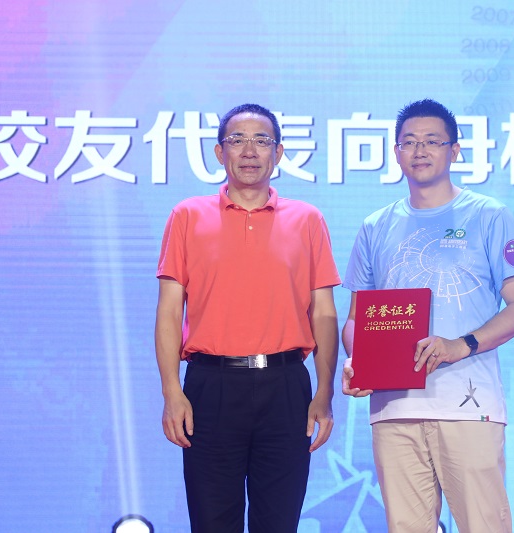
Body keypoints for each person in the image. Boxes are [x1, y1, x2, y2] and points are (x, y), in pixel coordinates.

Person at [341, 99, 514, 533]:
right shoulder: (376, 226)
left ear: (455, 150)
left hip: (468, 404)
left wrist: (459, 346)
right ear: (396, 152)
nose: (420, 150)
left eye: (432, 141)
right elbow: (356, 319)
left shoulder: (489, 216)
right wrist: (360, 362)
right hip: (394, 408)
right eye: (409, 142)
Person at [154, 103, 340, 533]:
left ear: (279, 152)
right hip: (211, 385)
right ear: (220, 153)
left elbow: (324, 311)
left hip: (286, 386)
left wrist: (325, 390)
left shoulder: (308, 220)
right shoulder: (187, 215)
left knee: (278, 522)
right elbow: (169, 310)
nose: (250, 151)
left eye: (261, 141)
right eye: (237, 140)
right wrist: (171, 391)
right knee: (212, 522)